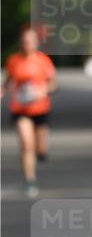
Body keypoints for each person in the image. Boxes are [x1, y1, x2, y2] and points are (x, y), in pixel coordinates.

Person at [1, 25, 57, 198]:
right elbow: (7, 83)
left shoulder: (43, 60)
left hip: (40, 108)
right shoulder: (13, 61)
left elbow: (53, 83)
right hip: (21, 109)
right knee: (27, 144)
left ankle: (41, 153)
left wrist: (42, 91)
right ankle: (30, 180)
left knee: (40, 149)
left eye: (29, 41)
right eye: (24, 41)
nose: (26, 44)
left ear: (35, 42)